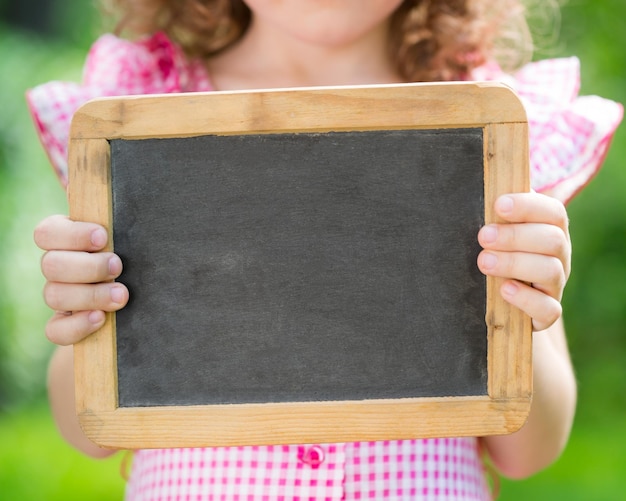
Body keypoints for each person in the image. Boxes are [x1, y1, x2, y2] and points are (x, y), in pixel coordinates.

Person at [27, 1, 622, 500]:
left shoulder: (481, 134)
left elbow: (528, 450)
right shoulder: (145, 121)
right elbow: (91, 432)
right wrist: (84, 313)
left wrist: (528, 300)